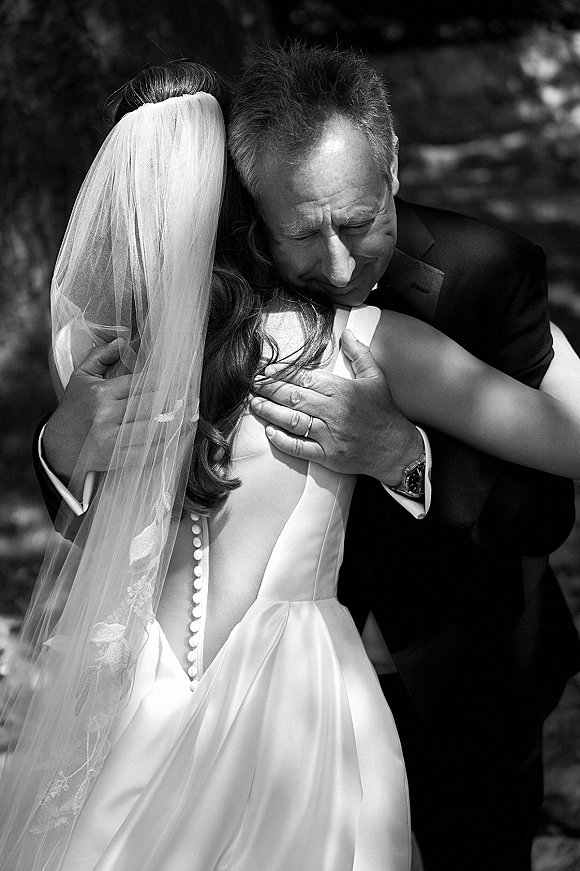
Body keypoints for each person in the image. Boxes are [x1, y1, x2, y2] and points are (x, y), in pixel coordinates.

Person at [28, 49, 580, 871]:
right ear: (252, 209)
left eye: (357, 223)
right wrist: (60, 445)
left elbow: (544, 504)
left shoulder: (484, 275)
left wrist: (404, 454)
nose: (338, 264)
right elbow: (110, 532)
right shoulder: (142, 356)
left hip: (463, 678)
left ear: (392, 165)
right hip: (275, 690)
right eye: (301, 233)